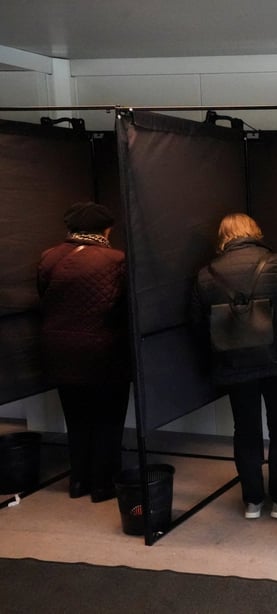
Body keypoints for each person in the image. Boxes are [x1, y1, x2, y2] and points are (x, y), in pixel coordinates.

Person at [192, 213, 277, 520]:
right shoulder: (276, 263)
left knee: (245, 430)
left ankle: (253, 502)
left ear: (223, 236)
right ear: (254, 231)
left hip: (233, 362)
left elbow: (196, 323)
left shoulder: (206, 273)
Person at [37, 201, 131, 503]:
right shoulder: (115, 260)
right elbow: (124, 306)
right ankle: (103, 485)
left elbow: (44, 298)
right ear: (105, 229)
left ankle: (78, 481)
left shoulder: (49, 257)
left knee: (76, 419)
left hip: (59, 351)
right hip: (104, 352)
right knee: (108, 418)